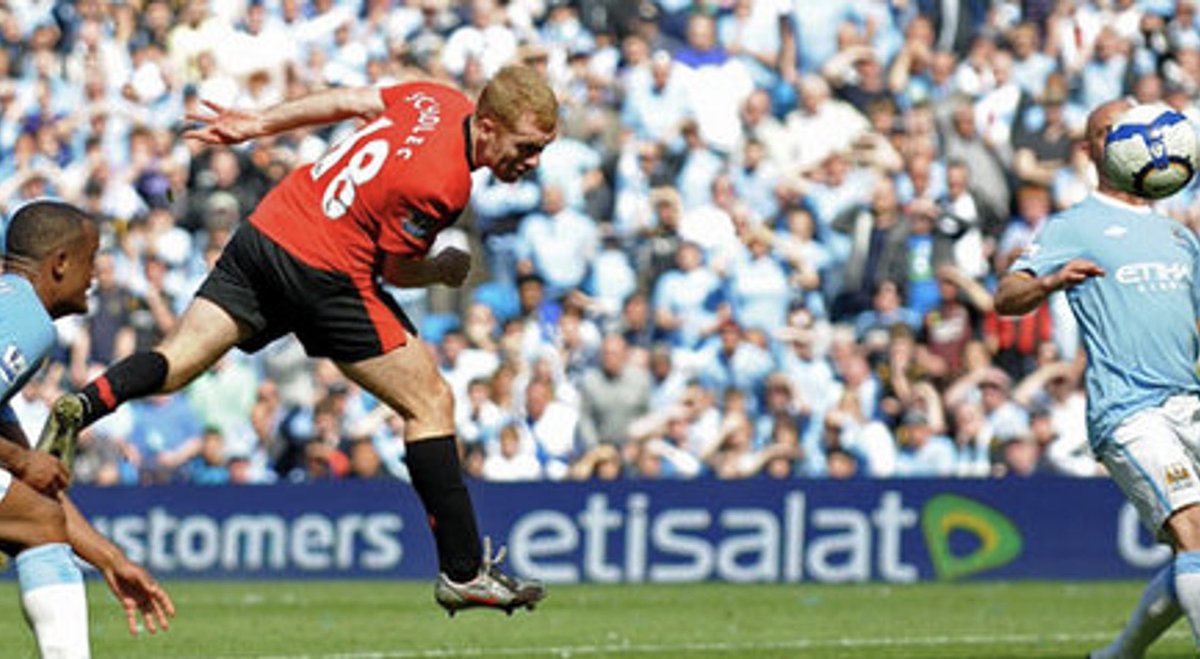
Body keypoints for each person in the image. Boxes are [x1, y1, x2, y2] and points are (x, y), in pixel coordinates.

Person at [41, 66, 554, 616]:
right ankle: (463, 570)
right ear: (489, 125)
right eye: (525, 147)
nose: (530, 162)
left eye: (541, 149)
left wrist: (259, 122)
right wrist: (443, 270)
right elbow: (395, 269)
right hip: (325, 269)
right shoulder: (444, 183)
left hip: (270, 229)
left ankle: (81, 404)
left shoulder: (435, 98)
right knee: (430, 403)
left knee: (177, 361)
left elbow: (349, 99)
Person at [994, 98, 1200, 658]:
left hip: (1188, 404)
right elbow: (1006, 296)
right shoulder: (1074, 224)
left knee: (1197, 548)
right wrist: (1051, 280)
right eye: (1114, 130)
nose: (1130, 136)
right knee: (1193, 528)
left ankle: (1117, 655)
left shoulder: (1179, 237)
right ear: (1093, 151)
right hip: (1130, 410)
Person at [0, 200, 174, 657]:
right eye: (91, 257)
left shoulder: (9, 307)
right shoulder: (26, 320)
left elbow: (34, 491)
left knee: (36, 515)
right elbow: (26, 475)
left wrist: (111, 560)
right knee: (37, 521)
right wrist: (22, 459)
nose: (95, 274)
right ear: (60, 263)